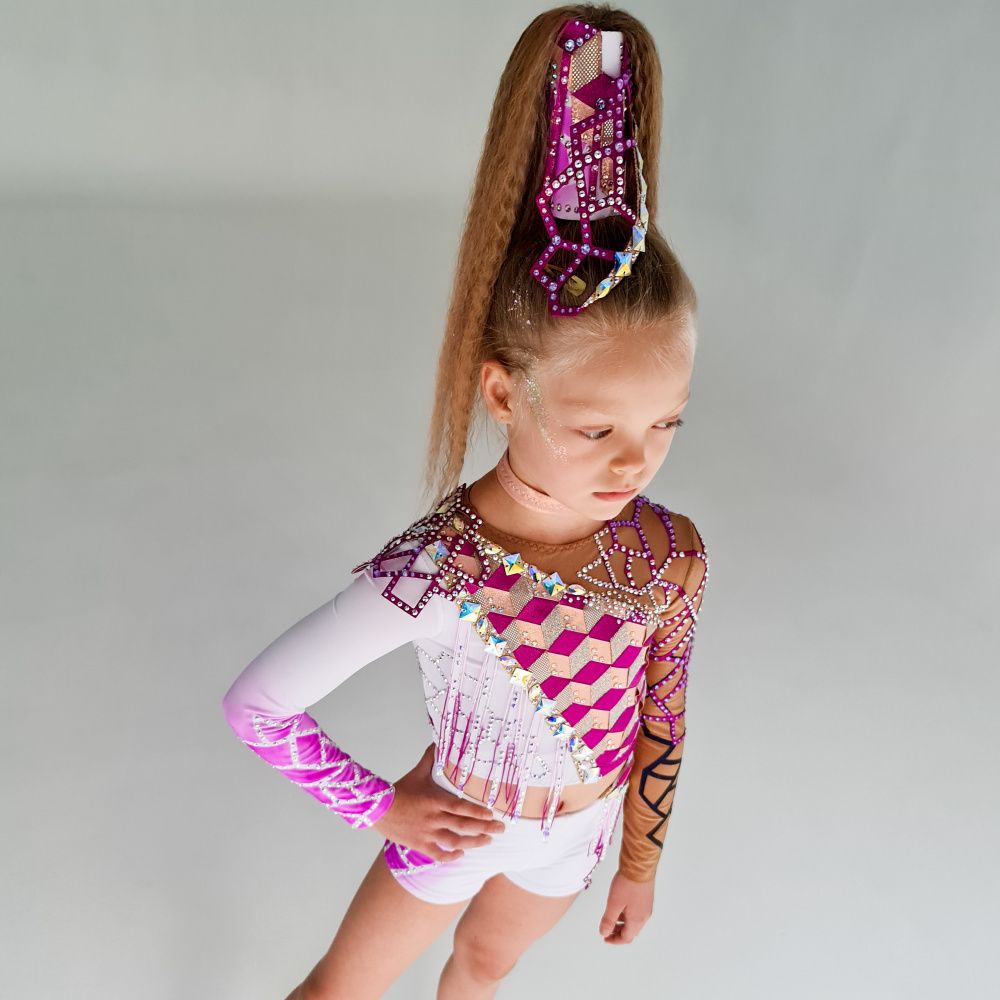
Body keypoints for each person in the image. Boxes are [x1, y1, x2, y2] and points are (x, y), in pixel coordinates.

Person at [221, 6, 712, 998]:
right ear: (502, 393)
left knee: (484, 965)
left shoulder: (669, 552)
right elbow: (258, 706)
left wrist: (637, 861)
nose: (636, 462)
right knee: (339, 989)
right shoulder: (439, 570)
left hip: (576, 838)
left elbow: (662, 715)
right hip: (460, 822)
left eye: (666, 422)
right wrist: (379, 807)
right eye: (595, 429)